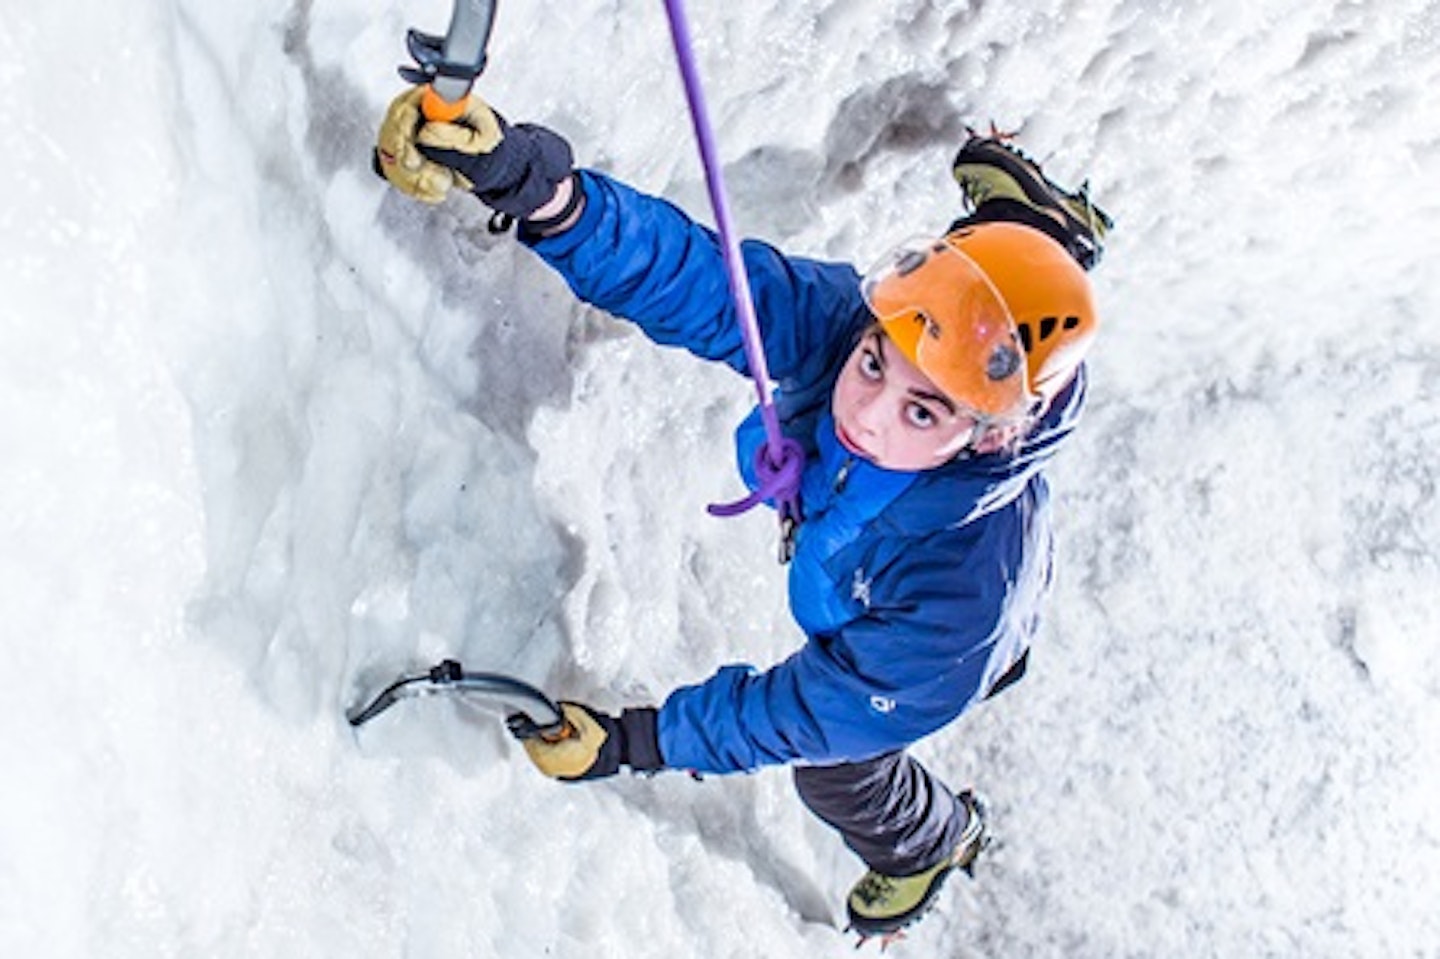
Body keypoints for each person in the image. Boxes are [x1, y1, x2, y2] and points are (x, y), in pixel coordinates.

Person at [375, 85, 1110, 940]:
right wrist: (546, 195)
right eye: (876, 361)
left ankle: (933, 843)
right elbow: (703, 284)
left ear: (983, 439)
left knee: (834, 775)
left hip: (948, 640)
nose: (866, 411)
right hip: (937, 449)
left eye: (922, 412)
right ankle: (1040, 237)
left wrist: (636, 741)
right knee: (985, 308)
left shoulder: (951, 616)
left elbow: (795, 711)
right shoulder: (867, 327)